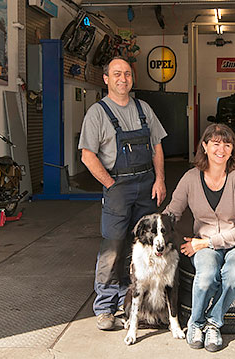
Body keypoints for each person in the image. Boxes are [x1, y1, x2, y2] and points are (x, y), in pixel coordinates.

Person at [79, 56, 167, 330]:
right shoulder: (97, 113)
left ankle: (138, 304)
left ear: (132, 78)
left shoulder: (143, 108)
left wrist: (160, 179)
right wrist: (110, 184)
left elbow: (157, 147)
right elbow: (87, 155)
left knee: (146, 247)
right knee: (113, 246)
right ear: (106, 79)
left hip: (147, 184)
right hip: (118, 185)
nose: (123, 79)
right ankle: (105, 307)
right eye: (116, 74)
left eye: (127, 74)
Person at [163, 124, 235, 352]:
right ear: (205, 146)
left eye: (227, 144)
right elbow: (172, 213)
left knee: (233, 274)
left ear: (232, 149)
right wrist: (152, 229)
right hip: (205, 243)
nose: (222, 149)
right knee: (206, 277)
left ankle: (213, 323)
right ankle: (195, 324)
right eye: (215, 143)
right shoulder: (190, 178)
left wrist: (205, 243)